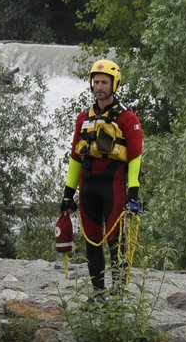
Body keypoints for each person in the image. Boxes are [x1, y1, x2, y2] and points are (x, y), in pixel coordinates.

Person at [61, 58, 143, 291]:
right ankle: (98, 295)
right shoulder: (82, 118)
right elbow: (75, 157)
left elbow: (136, 157)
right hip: (87, 188)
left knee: (116, 242)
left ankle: (117, 296)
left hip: (113, 185)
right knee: (91, 241)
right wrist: (68, 194)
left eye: (104, 82)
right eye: (96, 82)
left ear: (114, 84)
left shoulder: (127, 118)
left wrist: (133, 194)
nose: (99, 87)